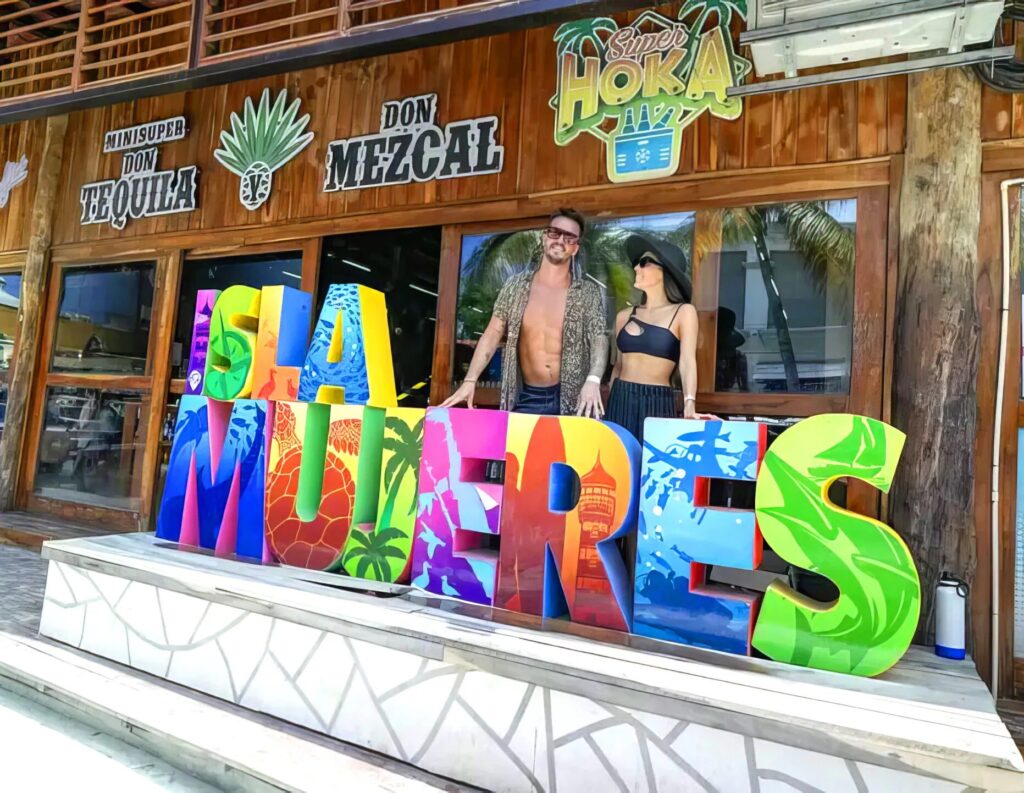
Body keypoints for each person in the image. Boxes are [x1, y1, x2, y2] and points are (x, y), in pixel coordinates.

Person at [442, 208, 607, 417]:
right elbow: (493, 332)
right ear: (544, 236)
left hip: (574, 398)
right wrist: (470, 380)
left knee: (571, 451)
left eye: (569, 237)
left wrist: (593, 380)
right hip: (526, 396)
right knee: (518, 450)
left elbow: (599, 336)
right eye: (555, 232)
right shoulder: (516, 286)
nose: (560, 240)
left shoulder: (587, 292)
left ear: (575, 248)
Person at [605, 233, 699, 442]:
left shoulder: (684, 312)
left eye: (644, 262)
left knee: (655, 466)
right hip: (620, 398)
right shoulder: (624, 316)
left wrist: (689, 401)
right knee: (620, 466)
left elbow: (687, 361)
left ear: (664, 270)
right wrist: (609, 401)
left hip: (657, 401)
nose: (636, 267)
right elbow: (618, 367)